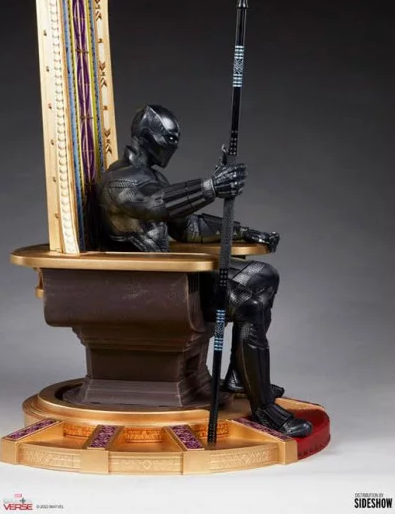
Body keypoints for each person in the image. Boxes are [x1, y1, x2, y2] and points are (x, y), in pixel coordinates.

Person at [97, 104, 312, 437]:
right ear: (146, 137)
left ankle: (238, 376)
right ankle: (264, 409)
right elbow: (155, 204)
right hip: (145, 288)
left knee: (264, 275)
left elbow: (187, 227)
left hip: (168, 278)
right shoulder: (119, 181)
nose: (174, 146)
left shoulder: (152, 177)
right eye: (169, 139)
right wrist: (211, 187)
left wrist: (244, 232)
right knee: (249, 304)